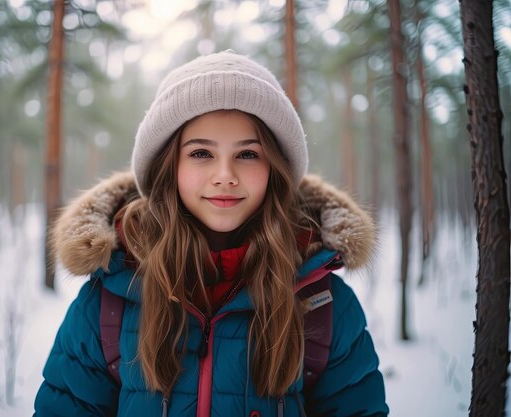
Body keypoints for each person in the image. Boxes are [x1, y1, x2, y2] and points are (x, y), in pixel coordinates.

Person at [34, 51, 389, 417]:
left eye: (248, 155)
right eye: (201, 152)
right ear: (169, 166)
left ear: (275, 168)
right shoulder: (111, 296)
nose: (225, 175)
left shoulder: (321, 302)